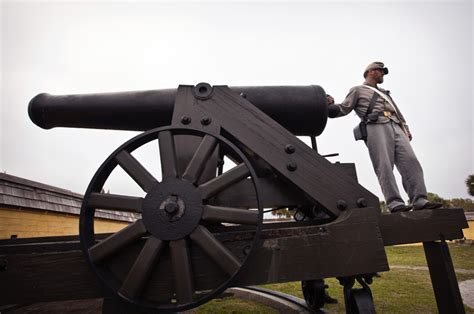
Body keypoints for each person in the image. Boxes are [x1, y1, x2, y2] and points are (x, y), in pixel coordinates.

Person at [327, 61, 442, 213]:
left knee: (411, 162)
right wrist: (328, 106)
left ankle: (420, 200)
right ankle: (395, 203)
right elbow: (343, 108)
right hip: (376, 125)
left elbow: (397, 112)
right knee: (384, 165)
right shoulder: (358, 90)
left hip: (395, 125)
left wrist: (405, 128)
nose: (383, 74)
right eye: (381, 71)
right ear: (371, 72)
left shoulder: (385, 93)